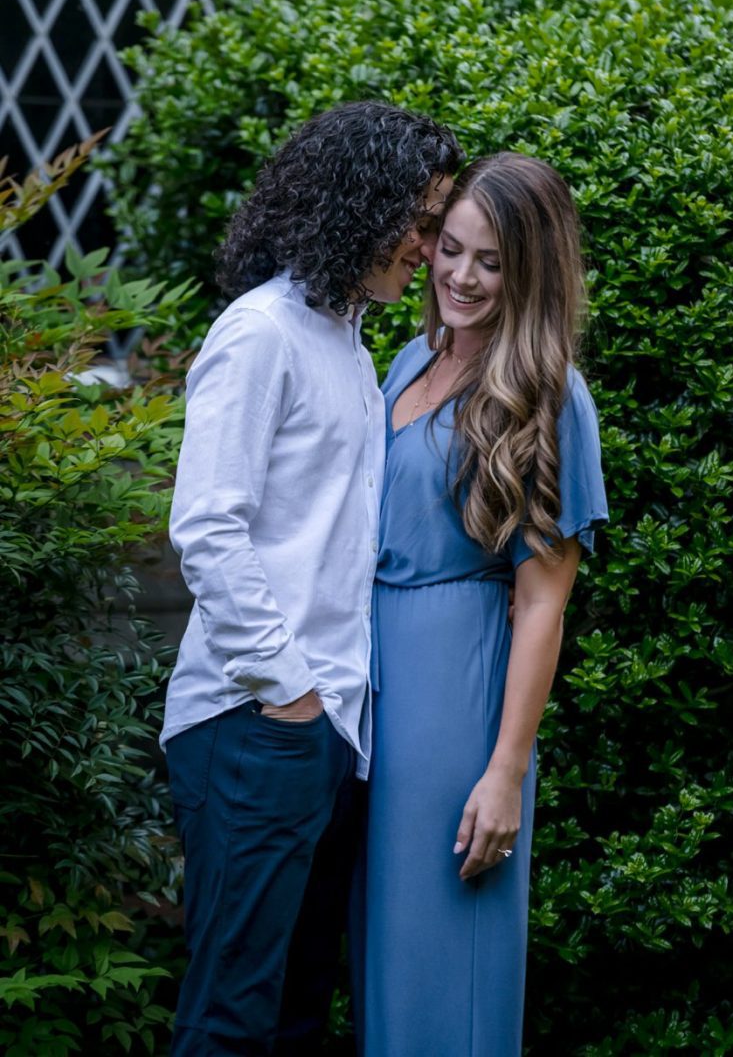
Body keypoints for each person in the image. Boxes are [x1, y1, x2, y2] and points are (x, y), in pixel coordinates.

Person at [161, 102, 461, 1055]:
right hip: (257, 722)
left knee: (294, 1012)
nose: (427, 247)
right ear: (354, 205)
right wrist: (286, 691)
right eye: (418, 221)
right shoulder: (262, 334)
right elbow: (207, 526)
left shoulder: (347, 340)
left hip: (328, 728)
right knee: (230, 1016)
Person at [352, 152, 608, 1055]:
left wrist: (506, 771)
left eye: (491, 261)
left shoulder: (548, 394)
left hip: (453, 698)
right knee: (379, 949)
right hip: (370, 689)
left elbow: (545, 601)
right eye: (450, 249)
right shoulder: (409, 356)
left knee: (439, 956)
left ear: (530, 269)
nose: (460, 276)